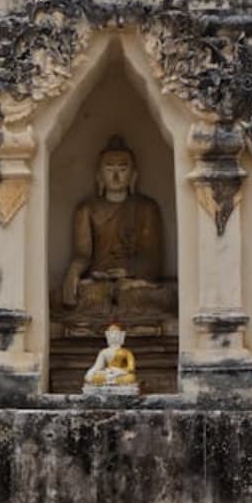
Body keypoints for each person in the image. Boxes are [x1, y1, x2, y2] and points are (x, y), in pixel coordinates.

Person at [60, 136, 164, 310]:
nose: (116, 176)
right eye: (109, 169)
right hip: (99, 281)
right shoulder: (86, 209)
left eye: (122, 169)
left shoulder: (147, 208)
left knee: (148, 296)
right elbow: (82, 255)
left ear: (133, 176)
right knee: (89, 295)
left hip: (133, 282)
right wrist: (72, 275)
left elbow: (153, 258)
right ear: (99, 176)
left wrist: (128, 271)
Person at [84, 323, 138, 388]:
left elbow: (131, 368)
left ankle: (111, 381)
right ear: (108, 336)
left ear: (121, 335)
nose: (113, 335)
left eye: (116, 333)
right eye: (111, 333)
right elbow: (98, 366)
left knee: (130, 378)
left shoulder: (126, 352)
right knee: (95, 376)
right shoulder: (104, 351)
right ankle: (110, 381)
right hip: (108, 373)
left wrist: (119, 371)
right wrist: (90, 373)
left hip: (120, 374)